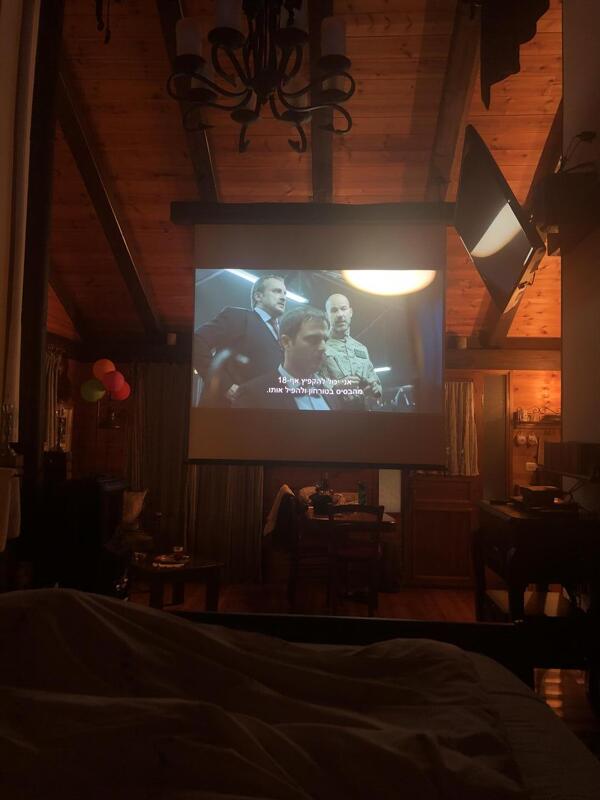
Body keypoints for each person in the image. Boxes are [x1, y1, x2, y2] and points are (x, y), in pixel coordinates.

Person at [193, 274, 287, 402]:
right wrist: (225, 385)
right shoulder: (237, 317)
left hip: (267, 408)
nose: (283, 297)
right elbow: (197, 341)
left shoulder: (284, 334)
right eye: (277, 291)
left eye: (285, 293)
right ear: (258, 296)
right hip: (228, 408)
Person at [234, 307, 339, 410]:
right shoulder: (252, 395)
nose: (323, 348)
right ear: (286, 342)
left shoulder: (331, 394)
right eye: (313, 339)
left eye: (325, 340)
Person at [320, 293, 382, 409]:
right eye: (334, 310)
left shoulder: (361, 348)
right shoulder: (319, 346)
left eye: (343, 309)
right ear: (327, 315)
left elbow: (375, 381)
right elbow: (310, 383)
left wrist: (375, 390)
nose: (340, 315)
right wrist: (336, 386)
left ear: (351, 312)